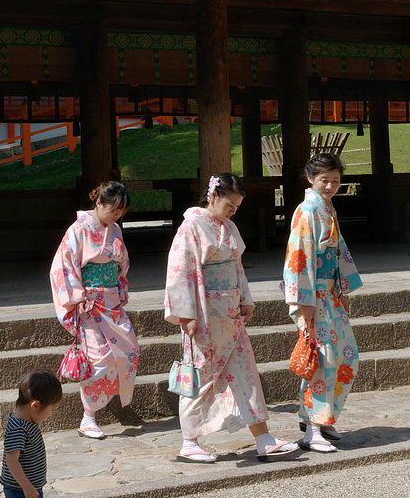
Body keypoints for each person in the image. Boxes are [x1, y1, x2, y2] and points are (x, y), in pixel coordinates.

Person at [165, 172, 298, 463]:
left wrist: (245, 299)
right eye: (229, 205)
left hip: (230, 313)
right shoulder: (192, 227)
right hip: (205, 313)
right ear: (212, 197)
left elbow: (237, 267)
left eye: (236, 207)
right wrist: (186, 314)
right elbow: (180, 272)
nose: (233, 211)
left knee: (245, 371)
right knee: (201, 375)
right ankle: (189, 441)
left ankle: (264, 438)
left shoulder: (228, 227)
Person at [282, 153, 363, 453]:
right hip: (313, 297)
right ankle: (311, 429)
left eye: (336, 181)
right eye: (324, 180)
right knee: (323, 362)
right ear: (310, 179)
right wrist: (305, 303)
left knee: (347, 356)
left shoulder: (327, 208)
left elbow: (337, 250)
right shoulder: (307, 211)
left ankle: (324, 417)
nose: (330, 186)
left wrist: (341, 287)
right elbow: (299, 257)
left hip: (330, 295)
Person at [50, 181, 139, 440]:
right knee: (98, 361)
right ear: (98, 203)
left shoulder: (115, 231)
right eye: (113, 210)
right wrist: (77, 298)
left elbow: (122, 265)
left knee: (129, 351)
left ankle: (96, 408)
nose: (117, 216)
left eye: (121, 212)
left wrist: (121, 287)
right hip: (88, 304)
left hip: (111, 301)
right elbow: (64, 267)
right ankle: (88, 417)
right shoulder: (78, 229)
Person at [0, 370, 63, 498]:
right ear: (35, 405)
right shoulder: (18, 428)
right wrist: (26, 487)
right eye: (52, 408)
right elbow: (11, 460)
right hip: (20, 490)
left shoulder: (27, 421)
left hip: (29, 486)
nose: (51, 413)